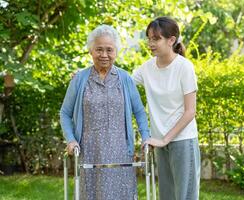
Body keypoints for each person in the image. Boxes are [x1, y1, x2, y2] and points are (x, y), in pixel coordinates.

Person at [60, 24, 150, 200]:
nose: (104, 55)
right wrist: (71, 140)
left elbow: (139, 112)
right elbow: (65, 113)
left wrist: (145, 137)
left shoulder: (125, 79)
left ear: (116, 52)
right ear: (90, 51)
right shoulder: (79, 79)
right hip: (89, 150)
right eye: (99, 49)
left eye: (109, 50)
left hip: (121, 150)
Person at [133, 17, 201, 200]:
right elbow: (121, 81)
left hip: (183, 140)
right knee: (167, 195)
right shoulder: (146, 68)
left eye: (156, 39)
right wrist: (87, 73)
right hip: (159, 142)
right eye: (149, 38)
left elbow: (190, 112)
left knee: (185, 196)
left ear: (171, 40)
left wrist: (165, 139)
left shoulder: (184, 67)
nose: (150, 43)